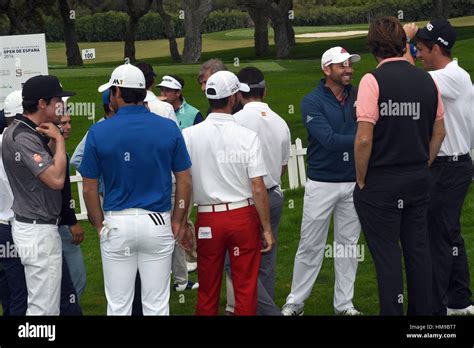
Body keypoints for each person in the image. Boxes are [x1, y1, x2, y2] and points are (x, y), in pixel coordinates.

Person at [80, 63, 192, 315]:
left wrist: (99, 225)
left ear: (117, 92)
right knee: (156, 304)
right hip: (157, 221)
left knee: (119, 305)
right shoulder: (167, 127)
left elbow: (89, 189)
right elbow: (184, 180)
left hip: (117, 222)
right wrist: (178, 220)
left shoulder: (99, 131)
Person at [353, 16, 446, 315]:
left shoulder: (372, 80)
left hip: (382, 181)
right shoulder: (427, 80)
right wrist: (424, 162)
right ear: (403, 44)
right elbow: (439, 131)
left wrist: (361, 178)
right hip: (417, 176)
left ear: (372, 47)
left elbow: (364, 139)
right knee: (418, 252)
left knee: (387, 256)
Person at [182, 70, 274, 315]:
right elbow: (257, 187)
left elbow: (185, 184)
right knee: (245, 290)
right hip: (242, 216)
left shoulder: (189, 135)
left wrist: (181, 223)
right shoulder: (247, 136)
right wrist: (265, 227)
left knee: (207, 291)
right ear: (234, 97)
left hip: (208, 218)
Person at [281, 47, 362, 316]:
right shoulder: (311, 102)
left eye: (350, 64)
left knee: (348, 246)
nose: (349, 69)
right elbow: (327, 140)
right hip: (322, 182)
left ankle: (344, 304)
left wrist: (365, 138)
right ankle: (296, 302)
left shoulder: (360, 94)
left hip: (353, 181)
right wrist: (365, 140)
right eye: (342, 65)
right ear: (327, 70)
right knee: (310, 245)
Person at [404, 20, 474, 315]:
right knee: (448, 233)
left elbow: (406, 79)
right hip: (452, 166)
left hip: (449, 167)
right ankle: (460, 300)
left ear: (436, 49)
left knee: (436, 240)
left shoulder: (452, 78)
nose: (417, 55)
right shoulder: (450, 76)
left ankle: (434, 310)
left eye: (420, 49)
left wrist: (403, 43)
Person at [2, 75, 74, 315]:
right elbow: (55, 179)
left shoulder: (27, 130)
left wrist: (53, 140)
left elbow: (47, 166)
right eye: (58, 101)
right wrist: (60, 141)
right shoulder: (23, 136)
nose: (61, 106)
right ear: (42, 103)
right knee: (44, 309)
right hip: (37, 230)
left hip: (34, 227)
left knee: (44, 305)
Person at [226, 67, 291, 315]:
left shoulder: (235, 121)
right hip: (273, 194)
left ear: (238, 94)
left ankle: (268, 311)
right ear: (264, 90)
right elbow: (283, 167)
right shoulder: (281, 122)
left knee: (234, 263)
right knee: (266, 263)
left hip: (246, 198)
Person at [0, 90, 28, 315]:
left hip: (3, 225)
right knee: (21, 290)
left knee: (8, 288)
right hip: (16, 224)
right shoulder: (20, 143)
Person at [58, 105, 87, 300]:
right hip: (59, 225)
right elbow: (61, 192)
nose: (68, 127)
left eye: (69, 122)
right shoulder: (55, 152)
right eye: (63, 123)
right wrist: (72, 221)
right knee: (77, 279)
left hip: (54, 224)